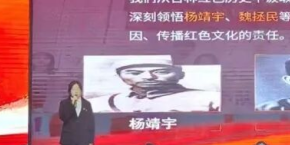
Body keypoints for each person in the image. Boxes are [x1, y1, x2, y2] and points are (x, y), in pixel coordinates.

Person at [91, 57, 220, 113]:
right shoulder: (97, 103)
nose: (148, 77)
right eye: (134, 73)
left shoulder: (211, 99)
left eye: (161, 72)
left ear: (181, 75)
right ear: (119, 76)